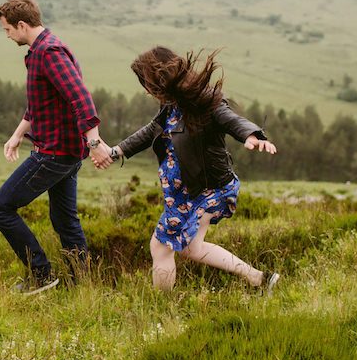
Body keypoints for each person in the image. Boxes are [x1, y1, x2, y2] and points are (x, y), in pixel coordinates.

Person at [93, 46, 280, 293]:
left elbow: (228, 118)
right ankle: (260, 279)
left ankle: (163, 307)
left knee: (160, 247)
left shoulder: (203, 101)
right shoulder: (171, 106)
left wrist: (252, 134)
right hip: (184, 195)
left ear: (160, 80)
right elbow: (151, 131)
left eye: (147, 84)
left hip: (206, 190)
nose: (148, 92)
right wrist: (116, 151)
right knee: (193, 248)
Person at [0, 0, 112, 295]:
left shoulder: (50, 53)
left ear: (21, 24)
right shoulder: (41, 51)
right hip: (66, 153)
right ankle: (81, 283)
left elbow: (80, 98)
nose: (7, 36)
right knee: (64, 219)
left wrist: (94, 142)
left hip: (54, 153)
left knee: (1, 208)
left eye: (7, 30)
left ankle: (41, 275)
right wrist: (18, 134)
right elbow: (41, 104)